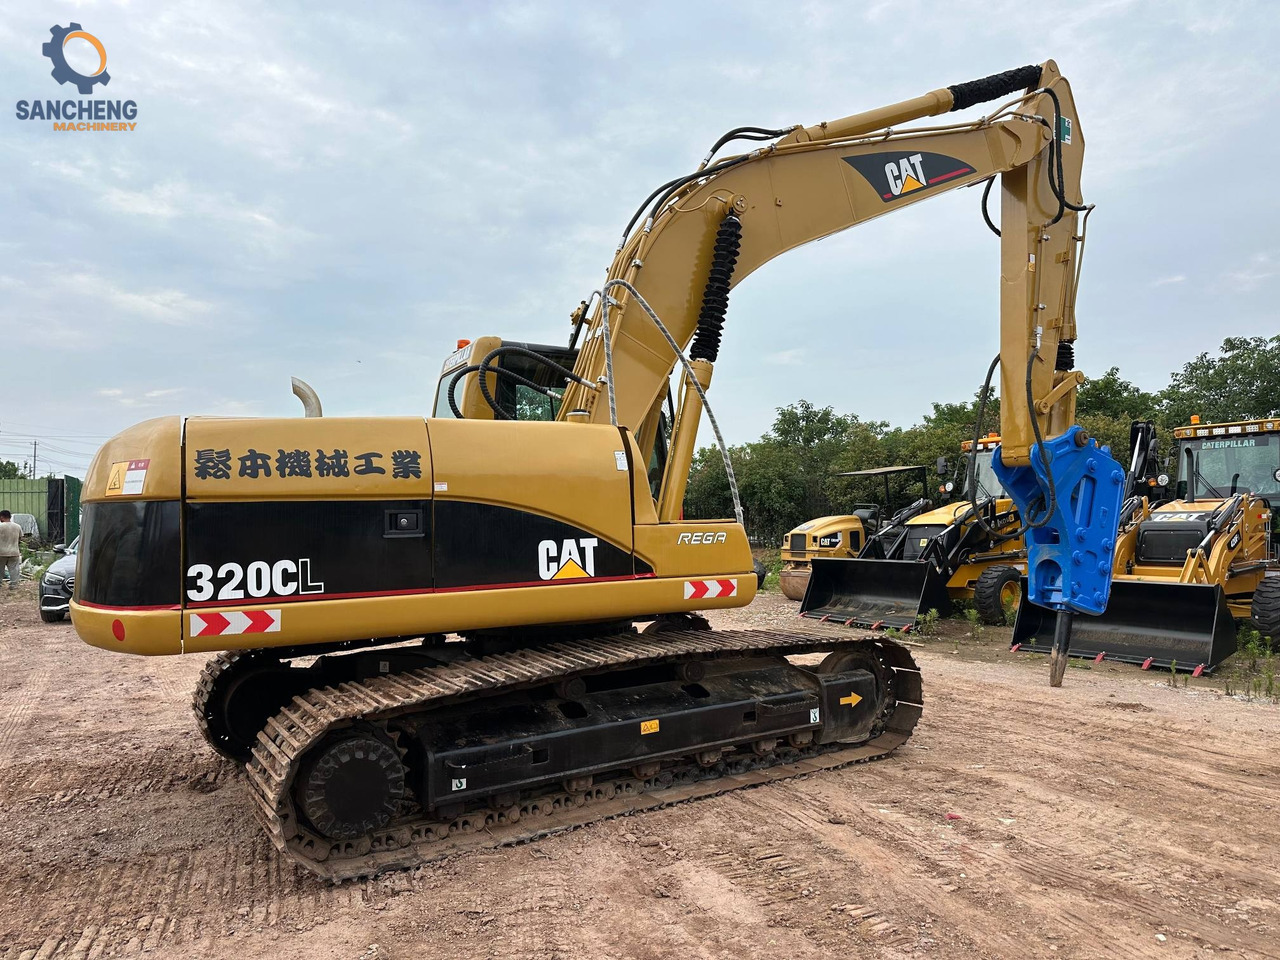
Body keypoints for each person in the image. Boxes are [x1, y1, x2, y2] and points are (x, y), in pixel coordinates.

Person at [0, 510, 21, 591]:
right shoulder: (17, 526)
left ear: (2, 517)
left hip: (1, 552)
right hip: (14, 552)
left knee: (0, 569)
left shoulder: (0, 526)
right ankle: (14, 585)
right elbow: (20, 538)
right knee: (14, 570)